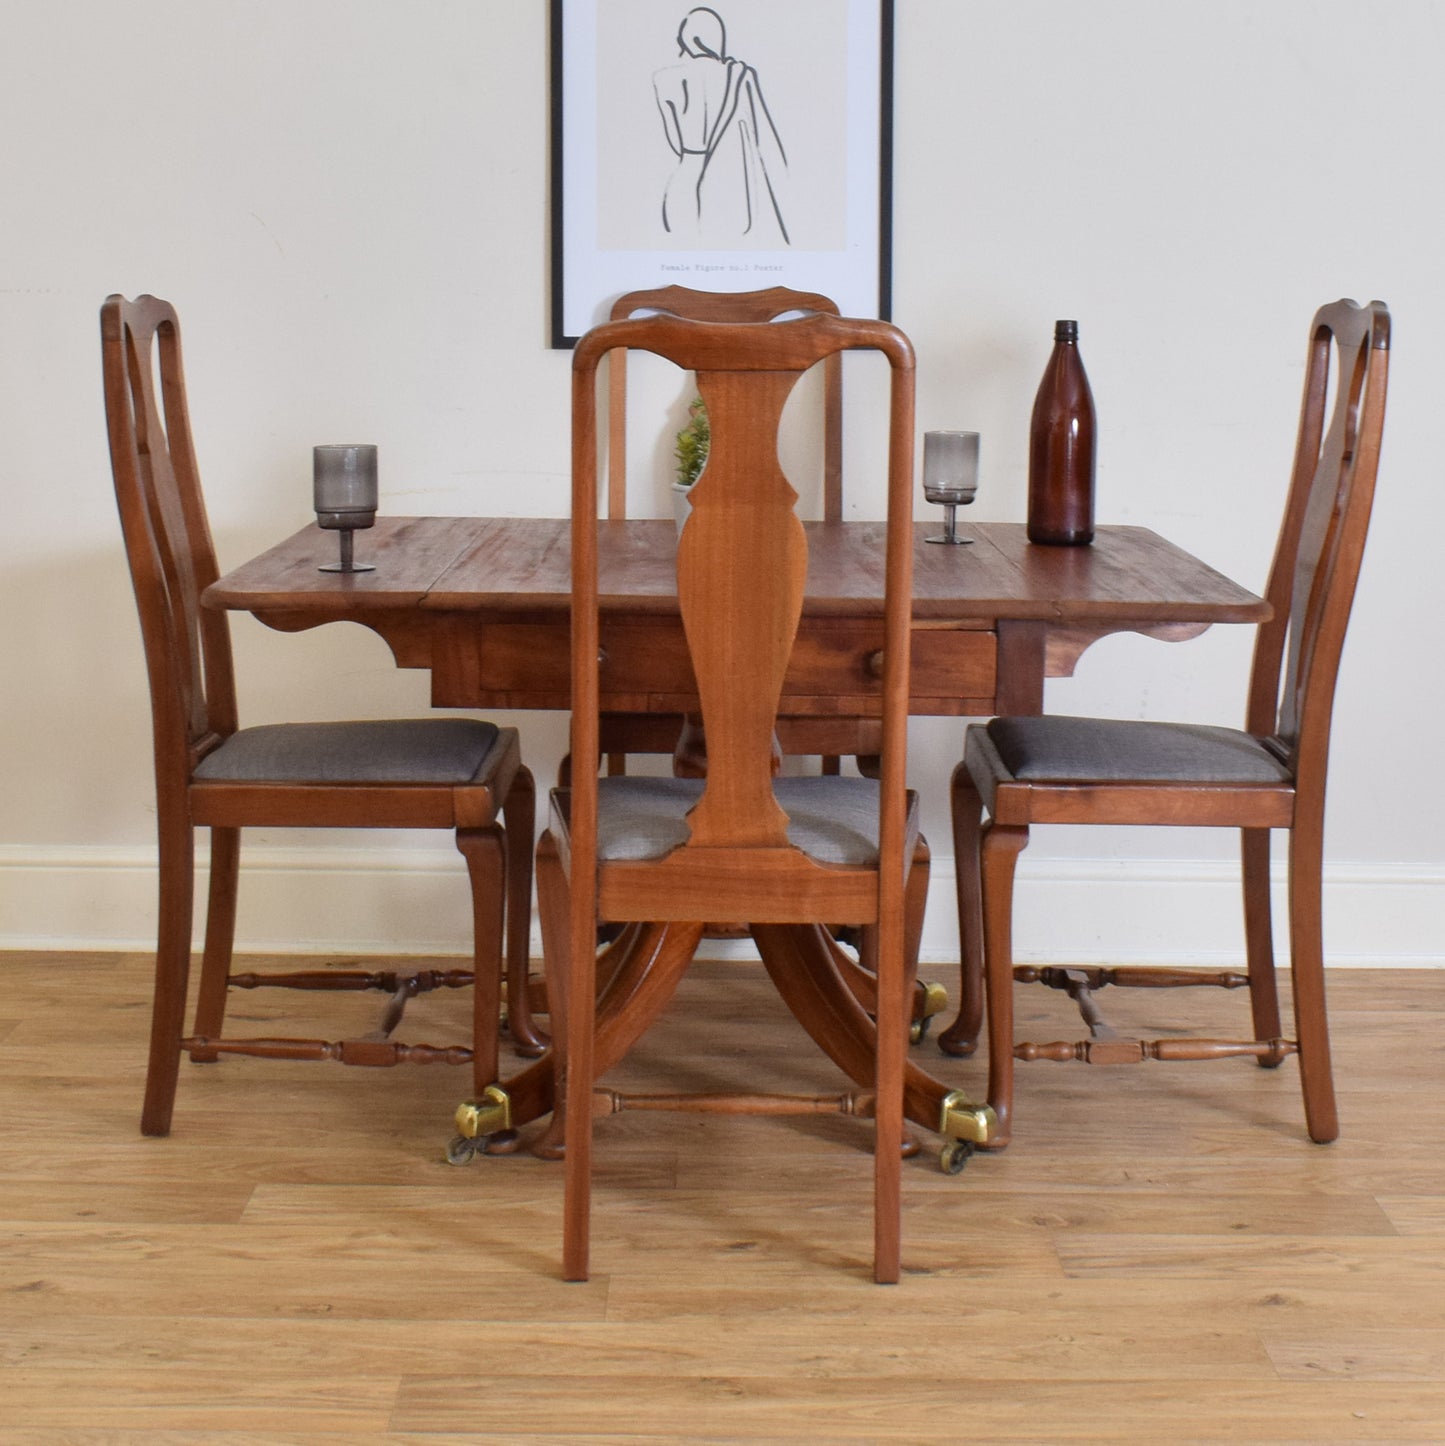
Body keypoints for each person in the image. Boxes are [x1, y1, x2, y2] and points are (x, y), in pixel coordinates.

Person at [653, 7, 789, 246]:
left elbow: (675, 142)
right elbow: (762, 139)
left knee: (682, 250)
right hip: (723, 187)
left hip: (683, 176)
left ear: (687, 38)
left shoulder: (664, 79)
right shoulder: (739, 74)